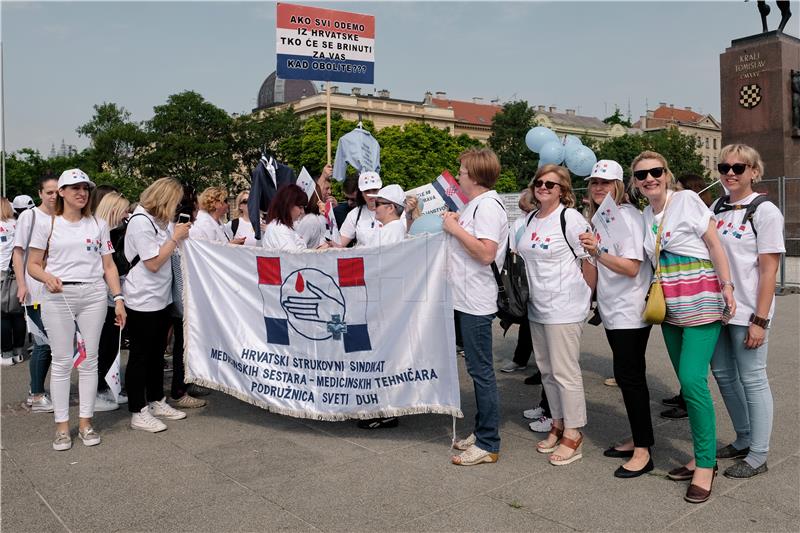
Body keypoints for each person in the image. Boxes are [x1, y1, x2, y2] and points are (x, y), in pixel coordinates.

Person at [633, 150, 735, 504]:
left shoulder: (687, 200)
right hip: (670, 309)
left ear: (666, 172)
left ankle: (706, 465)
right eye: (642, 175)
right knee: (687, 386)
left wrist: (727, 286)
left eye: (655, 171)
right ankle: (699, 454)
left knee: (693, 381)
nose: (650, 179)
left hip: (703, 300)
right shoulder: (646, 215)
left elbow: (713, 243)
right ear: (636, 182)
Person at [26, 169, 126, 451]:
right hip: (58, 296)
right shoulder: (48, 224)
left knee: (90, 360)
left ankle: (85, 422)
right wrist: (47, 278)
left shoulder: (98, 224)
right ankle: (61, 426)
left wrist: (118, 298)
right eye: (74, 188)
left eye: (85, 188)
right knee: (61, 361)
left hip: (93, 293)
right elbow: (33, 264)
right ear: (62, 192)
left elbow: (109, 265)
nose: (81, 193)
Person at [710, 144, 784, 479]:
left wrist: (760, 320)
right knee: (724, 375)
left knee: (753, 379)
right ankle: (742, 438)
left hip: (749, 312)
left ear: (754, 171)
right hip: (719, 310)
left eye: (738, 168)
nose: (729, 173)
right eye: (723, 167)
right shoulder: (717, 206)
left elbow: (769, 272)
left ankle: (759, 453)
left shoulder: (765, 212)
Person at [578, 160, 654, 478]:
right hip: (613, 310)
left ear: (619, 185)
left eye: (605, 182)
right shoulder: (600, 217)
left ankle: (644, 450)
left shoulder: (629, 216)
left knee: (631, 378)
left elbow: (632, 267)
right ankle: (638, 438)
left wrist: (596, 253)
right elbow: (596, 271)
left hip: (630, 311)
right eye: (594, 182)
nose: (598, 187)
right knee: (626, 377)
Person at [517, 164, 595, 467]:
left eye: (551, 184)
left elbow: (589, 260)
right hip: (537, 306)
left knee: (565, 372)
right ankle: (558, 423)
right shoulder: (531, 218)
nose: (543, 188)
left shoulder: (570, 218)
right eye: (539, 183)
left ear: (562, 190)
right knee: (547, 371)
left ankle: (574, 432)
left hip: (564, 306)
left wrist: (588, 297)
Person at [444, 148, 508, 466]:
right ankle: (482, 431)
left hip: (476, 303)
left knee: (481, 372)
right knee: (476, 369)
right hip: (466, 298)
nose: (458, 176)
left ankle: (488, 442)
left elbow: (485, 254)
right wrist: (458, 223)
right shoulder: (477, 206)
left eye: (462, 171)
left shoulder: (488, 207)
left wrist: (455, 229)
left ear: (476, 175)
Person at [124, 177, 192, 433]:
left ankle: (155, 400)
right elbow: (153, 262)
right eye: (175, 201)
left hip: (160, 297)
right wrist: (174, 238)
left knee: (155, 355)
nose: (176, 207)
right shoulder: (141, 222)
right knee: (141, 357)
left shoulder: (158, 221)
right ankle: (137, 410)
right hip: (143, 299)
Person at [12, 175, 58, 411]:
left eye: (57, 191)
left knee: (56, 342)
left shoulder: (64, 217)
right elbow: (18, 253)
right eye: (49, 192)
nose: (53, 196)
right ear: (40, 194)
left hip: (59, 289)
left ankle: (41, 388)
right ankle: (36, 393)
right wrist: (22, 283)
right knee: (43, 341)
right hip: (35, 289)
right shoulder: (30, 217)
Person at [169, 186, 207, 409]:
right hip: (181, 303)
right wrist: (185, 307)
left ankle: (187, 383)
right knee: (181, 348)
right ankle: (178, 390)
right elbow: (178, 269)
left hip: (182, 301)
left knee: (186, 347)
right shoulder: (178, 233)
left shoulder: (179, 232)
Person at [93, 192, 131, 412]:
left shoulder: (115, 232)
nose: (127, 214)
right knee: (103, 344)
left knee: (111, 344)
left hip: (112, 294)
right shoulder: (102, 232)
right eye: (124, 210)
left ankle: (106, 386)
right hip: (101, 295)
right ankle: (98, 389)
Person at [1, 197, 26, 367]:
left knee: (3, 314)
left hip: (2, 271)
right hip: (19, 271)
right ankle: (18, 352)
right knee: (17, 314)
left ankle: (6, 354)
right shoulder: (17, 224)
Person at [337, 171, 383, 248]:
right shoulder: (354, 214)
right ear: (361, 193)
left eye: (375, 189)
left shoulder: (392, 208)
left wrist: (409, 217)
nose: (371, 194)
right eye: (366, 191)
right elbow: (339, 243)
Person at [261, 184, 311, 251]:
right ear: (288, 205)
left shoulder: (285, 227)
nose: (302, 212)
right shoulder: (279, 229)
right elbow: (294, 258)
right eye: (300, 207)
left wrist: (322, 249)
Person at [296, 165, 335, 248]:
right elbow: (298, 250)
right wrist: (324, 175)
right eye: (327, 188)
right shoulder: (309, 219)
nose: (330, 192)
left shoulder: (324, 214)